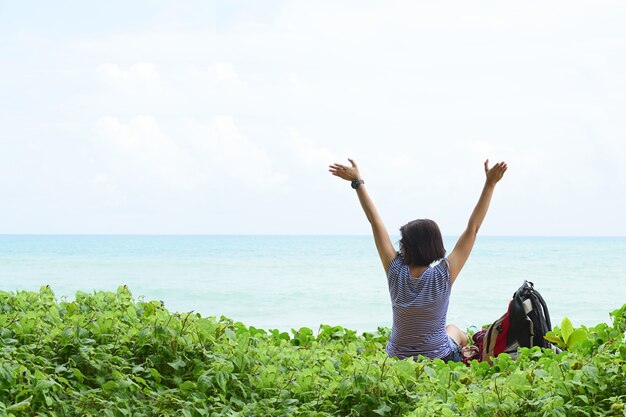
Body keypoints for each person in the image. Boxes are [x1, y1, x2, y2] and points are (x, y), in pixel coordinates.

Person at [329, 158, 507, 362]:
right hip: (439, 358)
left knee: (450, 329)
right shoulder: (443, 275)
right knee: (455, 331)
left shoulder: (394, 271)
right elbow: (473, 228)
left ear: (407, 247)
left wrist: (357, 182)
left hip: (397, 359)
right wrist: (490, 184)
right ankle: (471, 340)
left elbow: (374, 220)